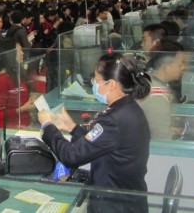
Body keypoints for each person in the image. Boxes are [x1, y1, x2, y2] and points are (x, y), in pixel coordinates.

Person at [38, 52, 151, 213]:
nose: (94, 84)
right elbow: (99, 144)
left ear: (111, 84)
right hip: (126, 201)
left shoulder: (113, 119)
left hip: (114, 206)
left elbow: (71, 156)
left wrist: (48, 126)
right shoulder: (128, 108)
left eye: (96, 81)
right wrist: (72, 128)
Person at [139, 40, 186, 139]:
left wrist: (167, 129)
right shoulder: (157, 97)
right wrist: (167, 133)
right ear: (166, 66)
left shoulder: (148, 80)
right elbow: (162, 141)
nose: (184, 68)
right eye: (181, 63)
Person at [0, 57, 35, 128]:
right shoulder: (1, 80)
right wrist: (22, 109)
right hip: (11, 129)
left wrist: (29, 101)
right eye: (19, 50)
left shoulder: (15, 74)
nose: (22, 53)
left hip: (23, 126)